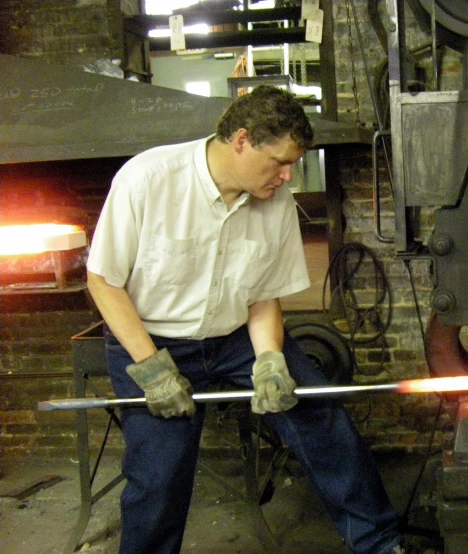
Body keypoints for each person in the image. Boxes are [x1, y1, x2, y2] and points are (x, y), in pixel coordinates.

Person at [86, 85, 406, 554]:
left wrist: (272, 360)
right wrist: (152, 369)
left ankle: (380, 544)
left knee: (322, 420)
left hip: (235, 336)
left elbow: (262, 295)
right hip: (150, 342)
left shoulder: (274, 200)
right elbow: (104, 283)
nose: (286, 175)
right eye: (279, 161)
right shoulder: (147, 179)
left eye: (293, 164)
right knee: (159, 474)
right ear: (241, 140)